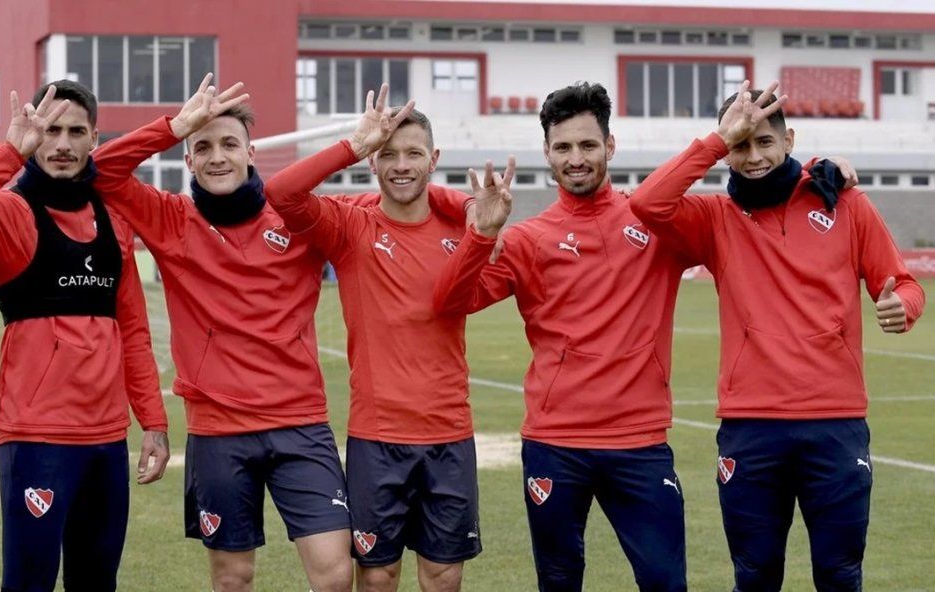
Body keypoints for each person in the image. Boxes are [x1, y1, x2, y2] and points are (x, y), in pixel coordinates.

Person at [92, 75, 456, 592]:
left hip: (299, 424)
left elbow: (409, 193)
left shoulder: (300, 216)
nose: (217, 157)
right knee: (233, 578)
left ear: (251, 153)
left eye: (229, 145)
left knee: (334, 575)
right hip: (218, 431)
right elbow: (101, 171)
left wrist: (469, 209)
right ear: (189, 160)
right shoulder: (171, 218)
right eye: (203, 147)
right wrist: (173, 126)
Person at [629, 80, 925, 592]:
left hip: (835, 425)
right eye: (741, 146)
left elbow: (902, 282)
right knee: (756, 575)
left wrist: (905, 306)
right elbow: (647, 204)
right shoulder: (714, 219)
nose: (754, 156)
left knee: (839, 575)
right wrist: (718, 140)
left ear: (790, 142)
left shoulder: (846, 203)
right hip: (751, 428)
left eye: (764, 142)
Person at [433, 82, 696, 591]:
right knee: (558, 582)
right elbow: (449, 303)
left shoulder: (657, 223)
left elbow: (748, 214)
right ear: (548, 154)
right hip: (556, 446)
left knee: (667, 583)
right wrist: (481, 234)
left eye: (587, 145)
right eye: (563, 147)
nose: (576, 159)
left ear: (610, 146)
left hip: (639, 443)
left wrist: (823, 169)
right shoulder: (531, 239)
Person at [0, 80, 169, 591]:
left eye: (75, 131)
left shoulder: (113, 219)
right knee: (29, 582)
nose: (61, 144)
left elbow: (134, 330)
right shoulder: (12, 213)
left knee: (97, 581)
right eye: (50, 129)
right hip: (36, 435)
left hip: (105, 439)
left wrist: (153, 420)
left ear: (94, 140)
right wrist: (10, 150)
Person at [264, 86, 483, 592]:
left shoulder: (463, 230)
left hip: (449, 433)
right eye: (388, 155)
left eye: (414, 154)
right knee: (378, 575)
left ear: (435, 159)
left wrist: (470, 203)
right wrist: (353, 145)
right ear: (372, 163)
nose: (401, 165)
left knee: (444, 576)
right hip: (377, 437)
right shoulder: (350, 227)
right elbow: (282, 194)